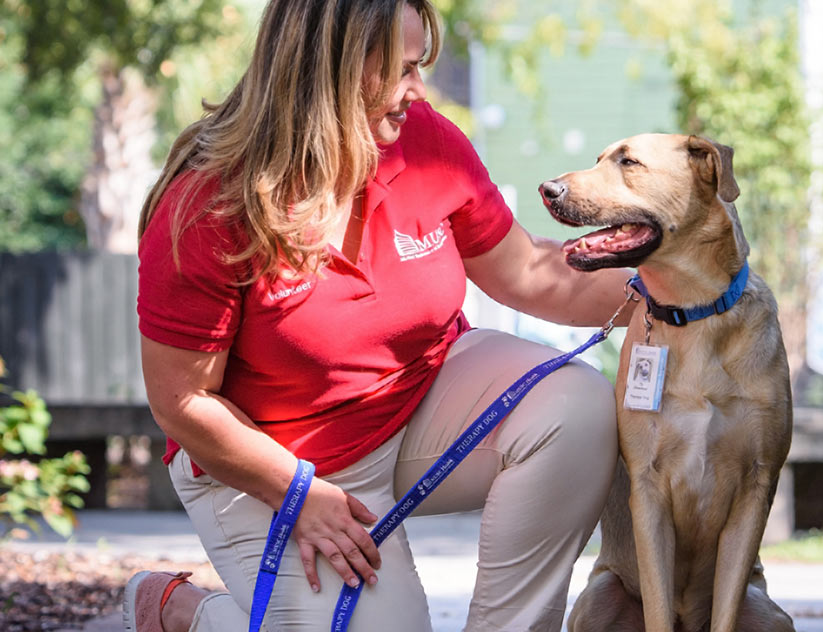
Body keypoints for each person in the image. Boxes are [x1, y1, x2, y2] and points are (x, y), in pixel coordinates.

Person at [123, 1, 635, 630]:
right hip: (275, 457)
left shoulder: (425, 142)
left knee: (576, 409)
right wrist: (295, 492)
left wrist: (680, 283)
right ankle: (185, 614)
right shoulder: (208, 205)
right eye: (401, 70)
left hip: (418, 401)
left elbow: (531, 273)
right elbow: (182, 401)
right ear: (331, 70)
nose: (417, 90)